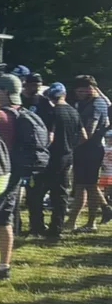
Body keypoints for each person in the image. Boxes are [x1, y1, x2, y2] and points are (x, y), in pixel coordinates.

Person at [0, 73, 35, 281]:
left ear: (5, 92)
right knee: (5, 220)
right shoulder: (21, 112)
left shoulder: (1, 117)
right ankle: (4, 265)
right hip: (15, 174)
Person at [28, 82, 81, 240]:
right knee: (60, 194)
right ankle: (56, 228)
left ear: (50, 96)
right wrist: (70, 146)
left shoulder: (51, 112)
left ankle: (37, 226)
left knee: (36, 193)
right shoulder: (74, 111)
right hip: (67, 157)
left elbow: (49, 136)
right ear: (64, 94)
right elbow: (84, 135)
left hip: (50, 158)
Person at [68, 75, 112, 230]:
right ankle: (75, 221)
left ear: (90, 89)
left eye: (81, 90)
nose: (78, 93)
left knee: (88, 185)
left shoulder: (96, 105)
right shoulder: (85, 103)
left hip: (90, 150)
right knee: (83, 186)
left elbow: (89, 131)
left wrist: (72, 146)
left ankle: (97, 216)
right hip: (85, 150)